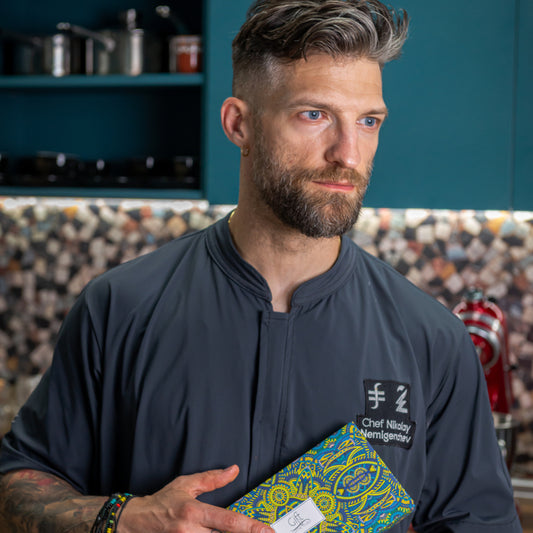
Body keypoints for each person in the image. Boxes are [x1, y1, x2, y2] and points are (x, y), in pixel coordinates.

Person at [0, 0, 521, 531]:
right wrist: (122, 519)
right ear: (239, 124)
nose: (348, 153)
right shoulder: (120, 308)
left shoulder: (432, 341)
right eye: (314, 115)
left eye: (368, 121)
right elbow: (16, 483)